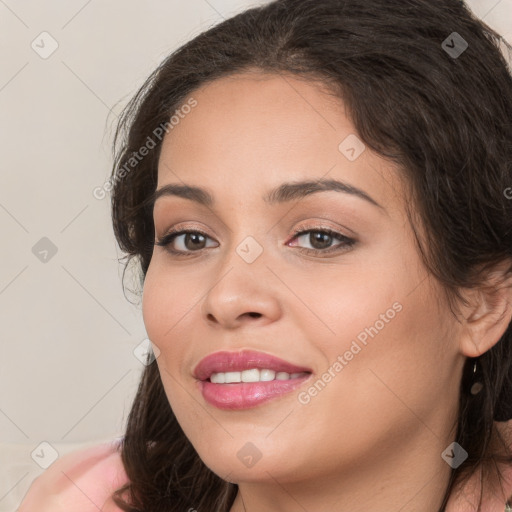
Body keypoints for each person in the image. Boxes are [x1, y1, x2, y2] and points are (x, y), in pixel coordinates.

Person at [19, 0, 512, 510]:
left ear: (484, 300)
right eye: (190, 238)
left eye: (320, 237)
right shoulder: (78, 499)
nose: (228, 296)